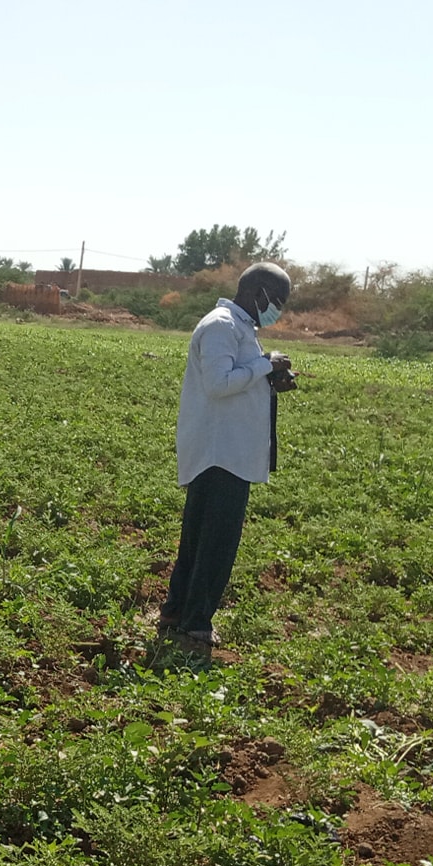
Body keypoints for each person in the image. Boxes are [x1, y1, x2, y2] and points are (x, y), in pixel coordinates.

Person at [160, 261, 297, 655]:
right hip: (220, 454)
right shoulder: (222, 326)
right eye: (277, 301)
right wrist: (265, 365)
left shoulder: (240, 327)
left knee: (198, 539)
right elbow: (218, 384)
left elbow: (238, 378)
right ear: (257, 292)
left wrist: (268, 377)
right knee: (215, 544)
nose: (278, 310)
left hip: (226, 451)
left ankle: (176, 613)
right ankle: (196, 625)